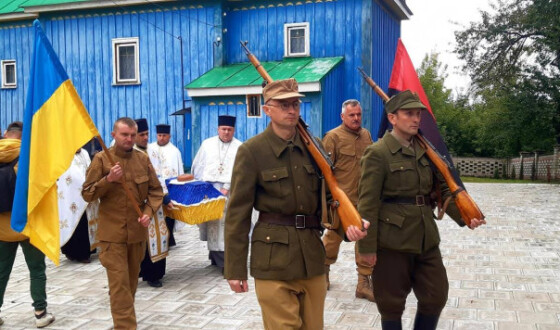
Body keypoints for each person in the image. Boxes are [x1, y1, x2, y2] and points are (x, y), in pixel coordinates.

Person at [224, 79, 368, 329]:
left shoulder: (315, 148)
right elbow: (238, 214)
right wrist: (234, 268)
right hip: (273, 259)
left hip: (312, 257)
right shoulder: (252, 151)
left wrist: (349, 224)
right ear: (267, 109)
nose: (291, 110)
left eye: (295, 103)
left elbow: (328, 199)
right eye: (283, 104)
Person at [357, 90, 486, 330]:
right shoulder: (378, 154)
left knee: (436, 295)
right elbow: (367, 203)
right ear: (393, 118)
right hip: (392, 239)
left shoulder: (427, 152)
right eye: (409, 114)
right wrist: (366, 247)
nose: (416, 119)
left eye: (418, 114)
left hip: (425, 237)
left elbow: (444, 190)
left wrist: (465, 217)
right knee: (391, 302)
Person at [82, 117, 163, 330]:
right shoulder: (101, 160)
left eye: (132, 135)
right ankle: (125, 326)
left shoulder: (142, 159)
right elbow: (87, 194)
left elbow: (156, 191)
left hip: (136, 236)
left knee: (129, 286)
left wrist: (148, 212)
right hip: (112, 237)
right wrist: (107, 180)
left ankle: (121, 320)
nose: (128, 139)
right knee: (119, 287)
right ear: (113, 135)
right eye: (124, 134)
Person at [0, 121, 55, 328]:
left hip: (2, 229)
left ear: (6, 134)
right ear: (24, 138)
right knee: (37, 270)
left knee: (1, 273)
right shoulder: (29, 159)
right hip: (27, 225)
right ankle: (40, 313)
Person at [321, 99, 374, 301]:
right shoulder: (332, 137)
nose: (356, 118)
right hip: (341, 201)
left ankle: (364, 283)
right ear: (342, 116)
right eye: (351, 115)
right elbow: (325, 172)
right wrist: (328, 201)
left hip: (364, 200)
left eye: (359, 114)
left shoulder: (366, 135)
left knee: (366, 240)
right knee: (333, 238)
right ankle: (323, 272)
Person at [191, 115, 241, 270]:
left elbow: (240, 170)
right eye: (223, 129)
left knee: (224, 226)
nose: (226, 132)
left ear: (233, 130)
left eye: (229, 129)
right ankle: (214, 255)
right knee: (211, 224)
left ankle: (224, 261)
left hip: (229, 191)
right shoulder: (207, 144)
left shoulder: (239, 146)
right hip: (209, 190)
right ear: (218, 129)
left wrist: (227, 186)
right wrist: (201, 187)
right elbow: (198, 166)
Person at [138, 120, 172, 288]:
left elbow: (160, 176)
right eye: (141, 135)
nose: (145, 138)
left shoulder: (153, 150)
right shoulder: (132, 153)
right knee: (142, 239)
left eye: (146, 134)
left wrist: (166, 198)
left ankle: (155, 274)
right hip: (139, 204)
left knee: (159, 236)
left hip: (156, 201)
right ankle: (143, 271)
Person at [148, 124, 184, 248]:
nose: (162, 138)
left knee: (169, 213)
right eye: (159, 135)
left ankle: (169, 238)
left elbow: (180, 171)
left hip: (170, 186)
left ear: (169, 136)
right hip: (154, 185)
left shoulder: (175, 151)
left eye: (164, 135)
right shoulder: (150, 148)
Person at [59, 147, 96, 263]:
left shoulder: (84, 153)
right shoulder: (65, 155)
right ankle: (74, 252)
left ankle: (86, 251)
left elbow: (90, 169)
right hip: (71, 197)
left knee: (85, 223)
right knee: (74, 222)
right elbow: (67, 177)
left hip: (87, 193)